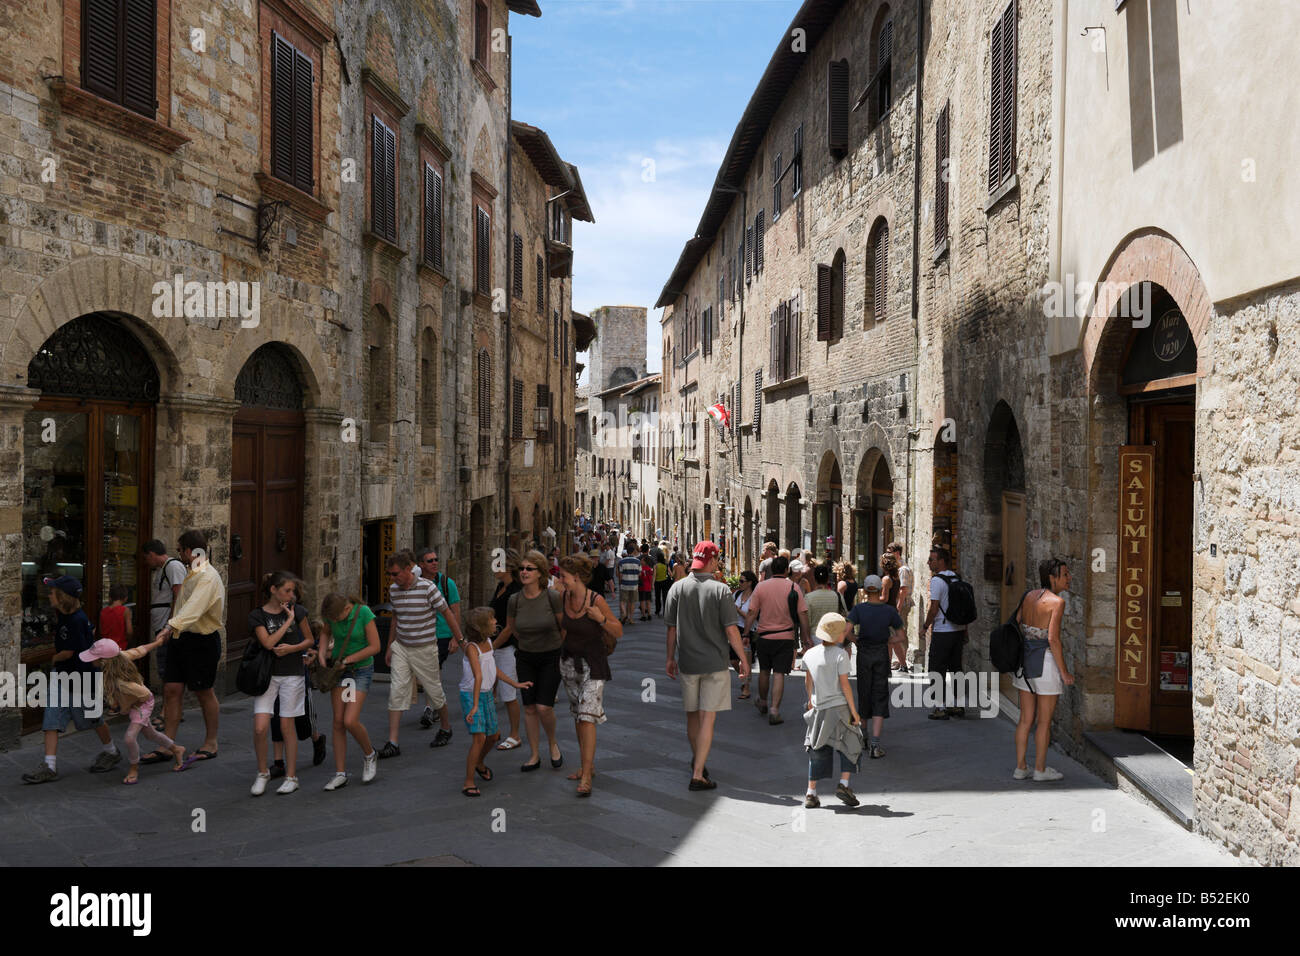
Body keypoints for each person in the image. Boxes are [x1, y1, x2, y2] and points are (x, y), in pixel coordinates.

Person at [664, 542, 749, 790]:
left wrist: (670, 658)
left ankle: (697, 760)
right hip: (714, 663)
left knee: (692, 715)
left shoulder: (677, 588)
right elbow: (731, 630)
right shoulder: (721, 590)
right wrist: (743, 659)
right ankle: (698, 773)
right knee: (707, 718)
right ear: (712, 561)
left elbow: (671, 629)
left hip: (688, 662)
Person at [22, 577, 122, 783]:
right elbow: (90, 631)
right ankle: (49, 766)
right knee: (51, 718)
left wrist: (54, 658)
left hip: (80, 678)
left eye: (52, 592)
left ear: (62, 597)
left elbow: (67, 652)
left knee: (93, 718)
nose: (48, 594)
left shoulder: (75, 619)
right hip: (63, 677)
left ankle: (111, 751)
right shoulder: (70, 617)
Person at [379, 549, 466, 758]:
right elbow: (395, 618)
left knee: (434, 692)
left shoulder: (428, 588)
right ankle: (393, 742)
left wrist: (460, 640)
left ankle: (445, 727)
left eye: (396, 573)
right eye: (390, 574)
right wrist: (390, 646)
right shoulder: (394, 590)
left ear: (408, 569)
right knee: (396, 691)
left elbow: (448, 613)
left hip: (425, 648)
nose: (392, 578)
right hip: (402, 647)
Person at [153, 530, 224, 768]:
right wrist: (171, 629)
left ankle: (211, 742)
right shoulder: (190, 573)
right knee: (172, 689)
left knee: (204, 692)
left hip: (201, 641)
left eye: (180, 550)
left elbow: (194, 608)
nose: (179, 555)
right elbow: (182, 605)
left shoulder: (207, 577)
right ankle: (167, 744)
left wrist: (169, 626)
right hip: (180, 638)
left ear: (189, 551)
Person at [555, 554, 622, 797]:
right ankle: (588, 765)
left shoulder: (596, 600)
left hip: (594, 666)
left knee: (586, 717)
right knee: (577, 716)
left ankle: (585, 776)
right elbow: (563, 630)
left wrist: (600, 618)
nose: (559, 579)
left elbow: (618, 630)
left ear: (576, 577)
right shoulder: (563, 597)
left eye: (562, 576)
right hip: (569, 665)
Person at [493, 550, 565, 771]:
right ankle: (534, 754)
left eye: (529, 569)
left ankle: (552, 743)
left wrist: (558, 649)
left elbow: (563, 627)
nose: (523, 572)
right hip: (525, 657)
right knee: (531, 708)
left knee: (544, 707)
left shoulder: (552, 597)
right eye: (522, 568)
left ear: (540, 572)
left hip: (550, 657)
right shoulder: (515, 600)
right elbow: (511, 628)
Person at [248, 571, 316, 795]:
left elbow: (309, 639)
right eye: (287, 590)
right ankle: (262, 773)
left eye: (293, 591)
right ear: (273, 590)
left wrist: (293, 649)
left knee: (287, 726)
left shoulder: (300, 612)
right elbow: (267, 643)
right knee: (260, 728)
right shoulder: (258, 615)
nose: (291, 595)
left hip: (292, 674)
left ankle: (292, 776)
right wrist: (287, 622)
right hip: (267, 675)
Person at [80, 636, 184, 783]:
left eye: (94, 657)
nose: (91, 660)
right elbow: (140, 651)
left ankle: (133, 768)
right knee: (150, 735)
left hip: (142, 704)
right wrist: (157, 642)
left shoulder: (121, 682)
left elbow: (145, 695)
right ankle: (176, 749)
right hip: (137, 703)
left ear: (105, 661)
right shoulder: (120, 657)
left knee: (129, 738)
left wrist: (128, 707)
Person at [1013, 559, 1076, 781]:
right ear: (1052, 577)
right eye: (1065, 574)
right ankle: (1040, 769)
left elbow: (1018, 621)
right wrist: (1065, 672)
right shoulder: (1057, 602)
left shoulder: (1029, 596)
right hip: (1046, 663)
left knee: (1025, 718)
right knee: (1044, 721)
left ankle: (1021, 767)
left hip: (1025, 662)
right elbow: (1053, 639)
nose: (1069, 578)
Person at [460, 607, 533, 797]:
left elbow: (493, 669)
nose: (495, 621)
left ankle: (479, 762)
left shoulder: (489, 643)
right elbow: (478, 676)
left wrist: (514, 683)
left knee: (493, 736)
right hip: (471, 695)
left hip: (484, 694)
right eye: (491, 618)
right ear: (482, 626)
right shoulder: (471, 648)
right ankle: (468, 782)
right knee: (479, 738)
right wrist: (475, 705)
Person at [315, 593, 381, 790]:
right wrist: (321, 652)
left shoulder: (364, 613)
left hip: (359, 670)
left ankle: (370, 754)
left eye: (336, 619)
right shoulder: (331, 614)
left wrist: (349, 660)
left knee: (350, 720)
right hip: (340, 671)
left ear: (346, 609)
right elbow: (326, 633)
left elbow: (375, 646)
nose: (334, 622)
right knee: (338, 722)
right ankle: (340, 773)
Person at [801, 612, 863, 807]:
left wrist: (810, 699)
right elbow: (845, 685)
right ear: (839, 635)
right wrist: (854, 712)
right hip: (840, 709)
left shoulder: (809, 654)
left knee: (817, 748)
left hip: (819, 707)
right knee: (851, 744)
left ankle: (811, 793)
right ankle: (844, 784)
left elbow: (808, 680)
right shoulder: (841, 655)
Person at [744, 555, 809, 726]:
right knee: (779, 673)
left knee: (764, 670)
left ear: (772, 569)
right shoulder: (793, 587)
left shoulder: (761, 587)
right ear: (787, 570)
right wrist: (805, 637)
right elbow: (802, 614)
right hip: (785, 636)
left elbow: (751, 613)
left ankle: (763, 701)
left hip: (764, 636)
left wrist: (745, 634)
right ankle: (774, 710)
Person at [847, 576, 903, 758]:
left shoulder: (858, 609)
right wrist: (887, 640)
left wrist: (857, 641)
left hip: (863, 654)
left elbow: (846, 631)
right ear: (880, 590)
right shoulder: (889, 611)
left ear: (864, 590)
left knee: (864, 692)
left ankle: (863, 736)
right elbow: (901, 636)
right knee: (879, 695)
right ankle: (875, 745)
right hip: (880, 653)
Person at [415, 548, 458, 744]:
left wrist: (456, 638)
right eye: (429, 560)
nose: (434, 562)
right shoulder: (416, 584)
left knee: (432, 669)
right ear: (421, 565)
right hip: (421, 635)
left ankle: (430, 708)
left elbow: (455, 611)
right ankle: (434, 706)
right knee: (429, 671)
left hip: (441, 634)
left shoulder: (447, 584)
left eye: (435, 559)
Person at [922, 546, 966, 720]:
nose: (928, 562)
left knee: (937, 669)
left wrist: (925, 626)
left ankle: (939, 707)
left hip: (943, 630)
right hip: (958, 630)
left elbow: (933, 608)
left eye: (932, 559)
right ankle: (958, 705)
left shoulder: (936, 581)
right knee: (956, 669)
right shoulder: (957, 578)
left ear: (941, 561)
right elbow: (963, 607)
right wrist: (966, 630)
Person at [490, 549, 525, 751]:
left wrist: (492, 647)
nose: (493, 567)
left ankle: (515, 734)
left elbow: (511, 626)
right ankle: (494, 730)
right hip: (495, 644)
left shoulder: (514, 591)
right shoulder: (501, 586)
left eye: (497, 564)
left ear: (508, 567)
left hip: (507, 647)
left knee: (509, 693)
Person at [141, 540, 186, 696]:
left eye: (146, 558)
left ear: (152, 554)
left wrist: (170, 625)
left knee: (167, 670)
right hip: (163, 627)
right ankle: (170, 709)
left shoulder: (173, 567)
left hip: (167, 628)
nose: (146, 562)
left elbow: (178, 596)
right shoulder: (164, 568)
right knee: (165, 668)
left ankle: (169, 710)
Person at [886, 542, 914, 672]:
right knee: (896, 633)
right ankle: (898, 661)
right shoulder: (900, 568)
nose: (887, 555)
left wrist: (897, 607)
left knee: (899, 633)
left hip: (900, 605)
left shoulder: (902, 569)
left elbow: (903, 590)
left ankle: (902, 662)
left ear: (897, 553)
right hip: (899, 604)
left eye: (889, 552)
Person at [731, 570, 758, 700]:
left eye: (742, 581)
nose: (739, 583)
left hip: (748, 630)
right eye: (739, 581)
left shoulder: (755, 597)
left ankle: (746, 688)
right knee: (733, 660)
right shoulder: (736, 594)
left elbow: (751, 617)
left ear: (750, 583)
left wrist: (737, 610)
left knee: (745, 660)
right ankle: (745, 678)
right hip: (735, 629)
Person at [805, 563, 848, 641]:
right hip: (834, 636)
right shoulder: (837, 596)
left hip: (816, 637)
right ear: (828, 578)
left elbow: (807, 621)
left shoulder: (809, 597)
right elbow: (844, 616)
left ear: (814, 578)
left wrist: (806, 640)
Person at [97, 585, 132, 650]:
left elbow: (101, 631)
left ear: (110, 597)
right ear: (125, 598)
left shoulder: (103, 611)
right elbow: (129, 631)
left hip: (106, 647)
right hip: (120, 646)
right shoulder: (125, 610)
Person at [653, 551, 671, 617]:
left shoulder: (656, 566)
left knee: (657, 597)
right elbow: (670, 574)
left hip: (657, 582)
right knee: (665, 597)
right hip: (665, 582)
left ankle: (658, 610)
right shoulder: (666, 565)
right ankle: (665, 611)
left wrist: (652, 584)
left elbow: (654, 575)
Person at [638, 555, 654, 621]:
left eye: (642, 560)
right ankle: (649, 614)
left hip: (642, 587)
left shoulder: (641, 569)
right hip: (648, 587)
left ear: (645, 562)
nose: (641, 561)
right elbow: (651, 578)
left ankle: (644, 615)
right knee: (648, 601)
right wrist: (652, 585)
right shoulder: (649, 569)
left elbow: (639, 577)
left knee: (642, 601)